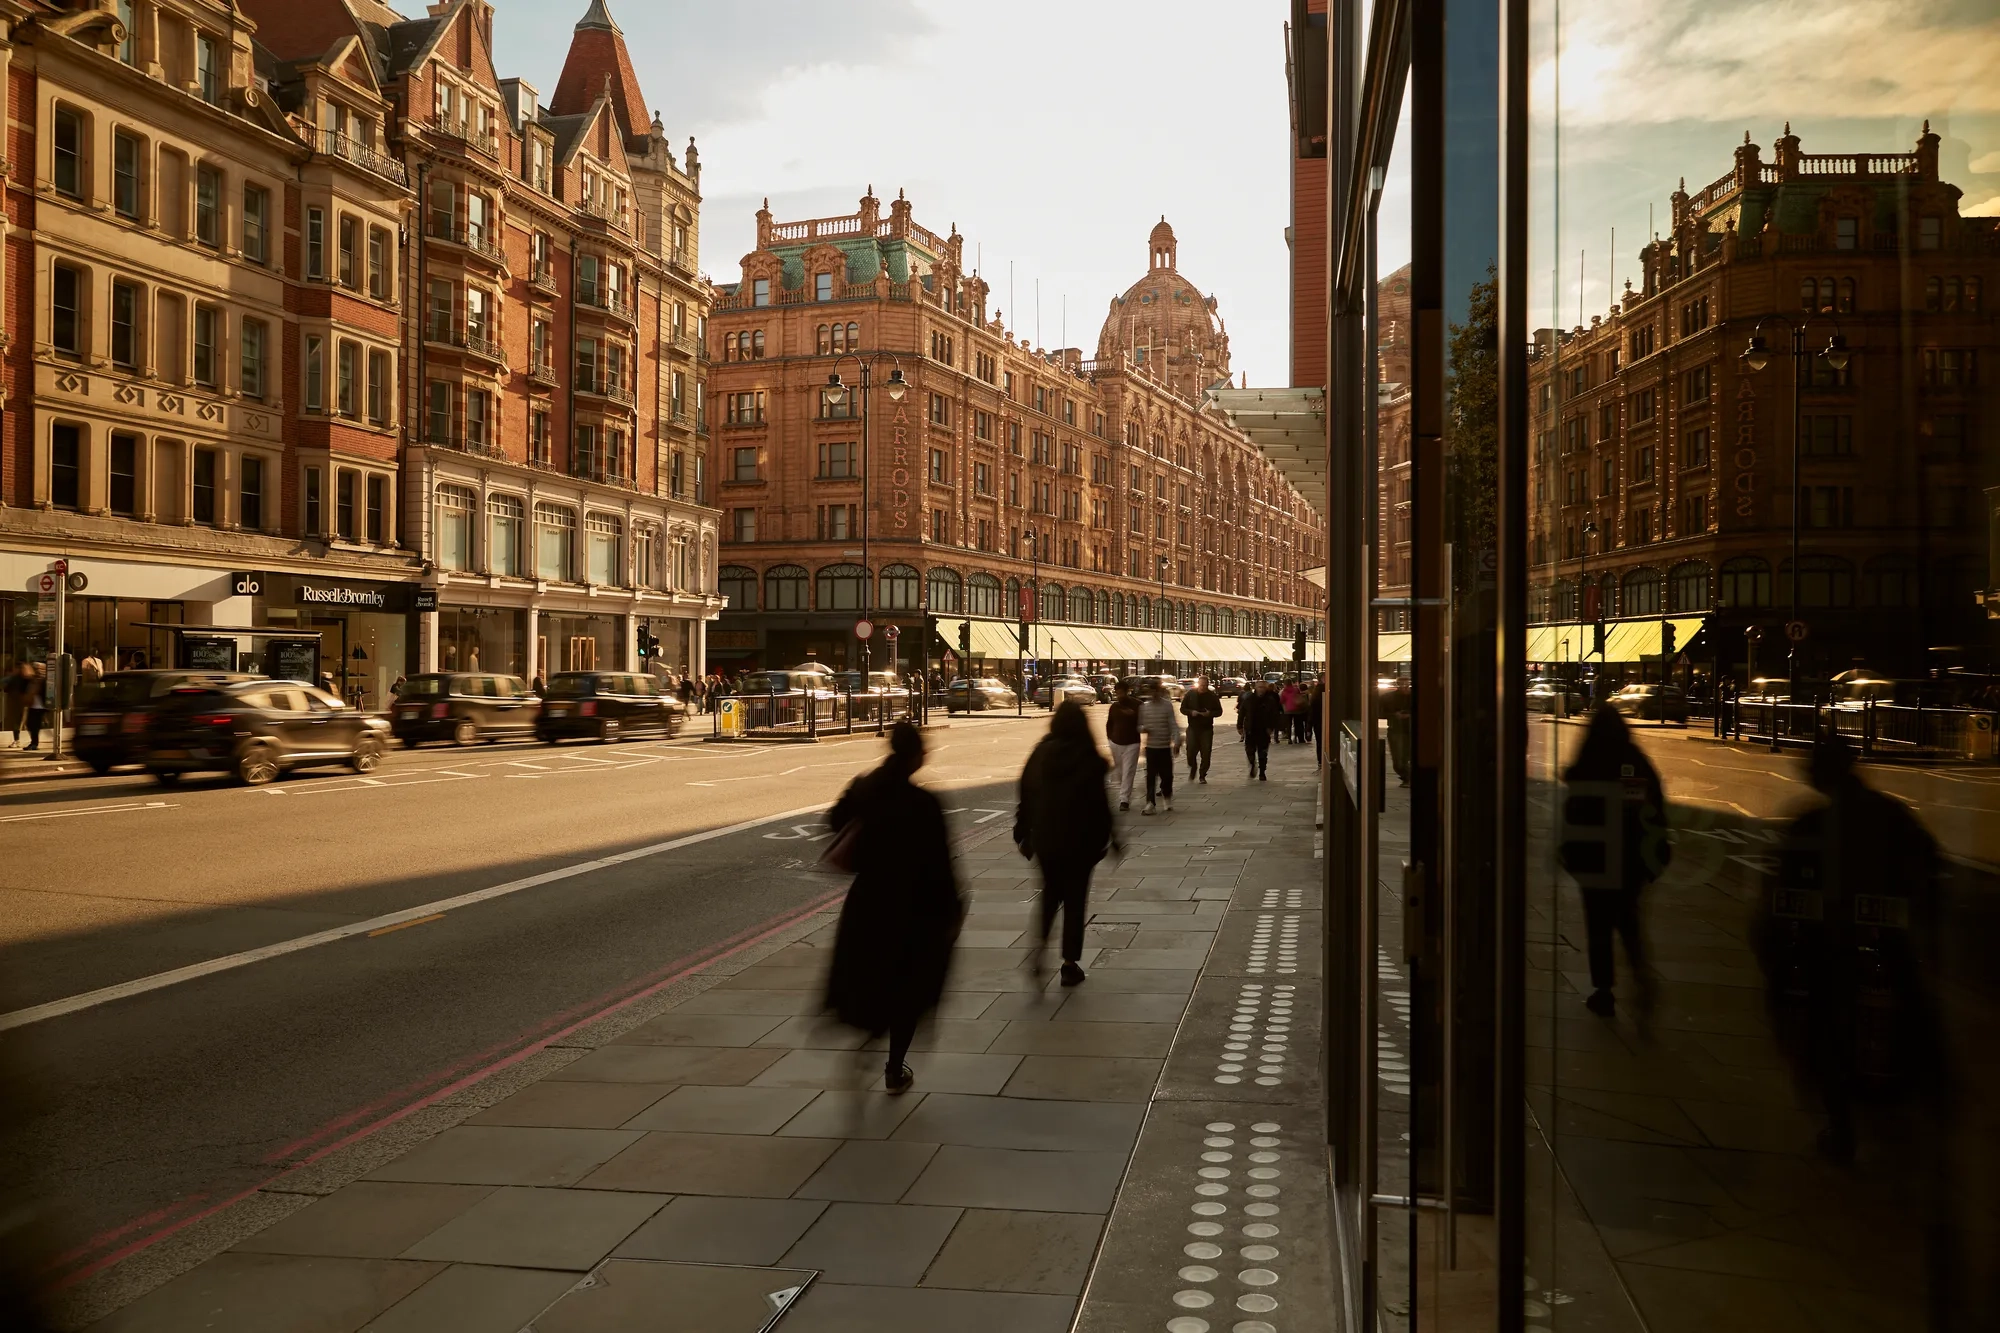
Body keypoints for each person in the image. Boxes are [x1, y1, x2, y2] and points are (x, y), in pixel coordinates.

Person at [823, 722, 964, 1093]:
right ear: (916, 756)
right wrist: (952, 911)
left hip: (868, 902)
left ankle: (869, 1038)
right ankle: (893, 1067)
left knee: (872, 976)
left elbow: (833, 822)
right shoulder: (923, 804)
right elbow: (940, 866)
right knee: (909, 989)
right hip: (911, 909)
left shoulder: (867, 788)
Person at [1558, 705, 1667, 1018]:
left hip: (1594, 858)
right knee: (1629, 920)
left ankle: (1603, 990)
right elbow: (1655, 806)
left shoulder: (1590, 759)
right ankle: (1639, 971)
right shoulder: (1635, 759)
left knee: (1599, 926)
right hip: (1630, 858)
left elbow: (1576, 806)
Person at [1015, 701, 1119, 988]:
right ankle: (1069, 965)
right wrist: (1113, 837)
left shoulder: (1041, 752)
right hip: (1082, 842)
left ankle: (1039, 948)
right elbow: (1100, 805)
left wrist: (1022, 831)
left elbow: (1026, 792)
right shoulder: (1087, 755)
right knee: (1074, 902)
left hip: (1047, 839)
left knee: (1050, 894)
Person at [1138, 678, 1182, 815]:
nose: (1153, 693)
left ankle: (1167, 796)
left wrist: (1177, 741)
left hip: (1164, 747)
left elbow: (1173, 725)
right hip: (1151, 747)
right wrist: (1143, 728)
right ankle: (1150, 803)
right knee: (1150, 776)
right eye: (1151, 691)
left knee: (1167, 776)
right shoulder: (1144, 707)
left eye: (1155, 690)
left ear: (1159, 691)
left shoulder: (1167, 706)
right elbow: (1139, 726)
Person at [1104, 681, 1141, 811]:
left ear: (1127, 691)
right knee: (1120, 771)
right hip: (1115, 742)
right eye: (1117, 693)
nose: (1119, 695)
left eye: (1121, 693)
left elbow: (1144, 722)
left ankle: (1124, 799)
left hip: (1132, 743)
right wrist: (1110, 738)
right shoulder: (1114, 707)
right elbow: (1109, 723)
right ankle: (1124, 791)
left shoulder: (1137, 705)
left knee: (1128, 771)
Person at [1180, 674, 1223, 784]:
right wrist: (1191, 712)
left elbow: (1219, 711)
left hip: (1206, 728)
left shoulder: (1212, 696)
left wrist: (1210, 714)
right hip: (1193, 727)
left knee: (1206, 752)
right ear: (1198, 684)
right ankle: (1192, 767)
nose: (1203, 687)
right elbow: (1183, 708)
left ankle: (1202, 774)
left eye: (1205, 685)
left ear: (1208, 685)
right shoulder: (1190, 694)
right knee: (1190, 751)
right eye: (1201, 685)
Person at [1244, 679, 1283, 780]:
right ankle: (1252, 764)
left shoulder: (1270, 700)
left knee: (1263, 753)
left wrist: (1271, 727)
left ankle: (1262, 772)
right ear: (1255, 688)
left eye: (1263, 687)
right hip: (1251, 729)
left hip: (1264, 730)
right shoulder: (1249, 699)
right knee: (1250, 750)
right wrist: (1239, 725)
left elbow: (1275, 714)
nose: (1261, 689)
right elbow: (1242, 712)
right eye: (1259, 687)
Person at [1385, 679, 1413, 786]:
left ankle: (1408, 778)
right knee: (1398, 760)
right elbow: (1381, 711)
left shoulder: (1414, 697)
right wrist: (1394, 715)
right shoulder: (1389, 698)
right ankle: (1406, 776)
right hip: (1396, 730)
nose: (1405, 686)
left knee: (1406, 757)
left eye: (1407, 684)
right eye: (1402, 684)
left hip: (1409, 729)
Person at [20, 664, 47, 751]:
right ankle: (33, 743)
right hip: (32, 705)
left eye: (39, 668)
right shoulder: (32, 680)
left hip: (40, 706)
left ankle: (34, 743)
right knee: (29, 724)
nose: (37, 670)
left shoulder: (45, 680)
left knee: (35, 726)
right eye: (36, 668)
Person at [2, 663, 29, 748]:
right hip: (19, 703)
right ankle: (18, 740)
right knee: (18, 722)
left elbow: (6, 688)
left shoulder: (19, 679)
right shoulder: (20, 679)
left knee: (19, 722)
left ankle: (18, 740)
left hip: (20, 702)